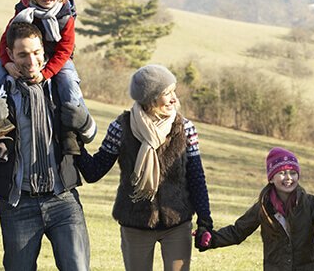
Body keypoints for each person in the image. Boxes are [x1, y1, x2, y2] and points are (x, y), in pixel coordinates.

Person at [0, 22, 97, 270]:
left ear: (44, 51)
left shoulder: (62, 88)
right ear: (9, 55)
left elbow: (90, 134)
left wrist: (83, 120)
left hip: (63, 199)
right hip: (18, 205)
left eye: (36, 52)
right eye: (22, 54)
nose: (31, 60)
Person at [74, 65, 212, 271]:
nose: (174, 99)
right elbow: (94, 171)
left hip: (177, 223)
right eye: (167, 93)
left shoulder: (185, 128)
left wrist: (205, 221)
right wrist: (73, 142)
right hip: (135, 224)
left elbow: (196, 177)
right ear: (150, 99)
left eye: (174, 91)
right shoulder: (121, 128)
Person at [195, 147, 314, 270]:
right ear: (271, 178)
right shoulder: (263, 207)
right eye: (282, 173)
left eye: (293, 172)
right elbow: (237, 232)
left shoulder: (311, 203)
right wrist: (211, 240)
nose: (289, 177)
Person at [0, 0, 90, 155]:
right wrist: (7, 62)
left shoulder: (65, 15)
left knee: (68, 80)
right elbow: (6, 39)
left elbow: (66, 49)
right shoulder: (24, 12)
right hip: (29, 55)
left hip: (58, 58)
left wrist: (47, 73)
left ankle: (70, 130)